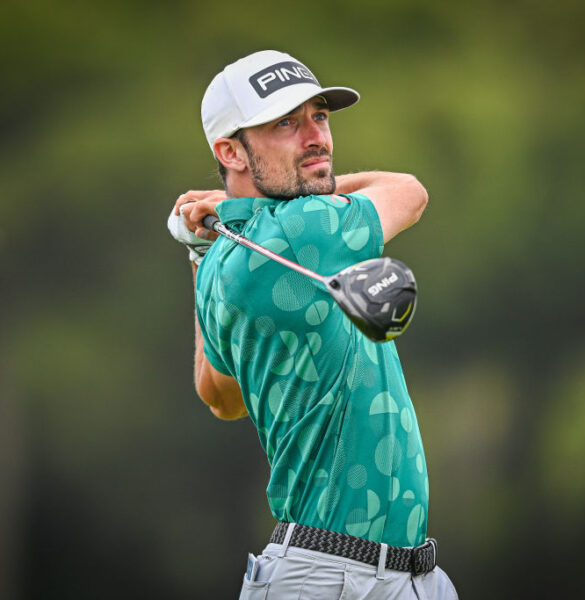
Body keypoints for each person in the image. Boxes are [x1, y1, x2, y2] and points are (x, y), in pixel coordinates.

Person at [167, 50, 458, 600]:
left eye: (318, 117)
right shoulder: (304, 229)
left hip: (397, 575)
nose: (315, 137)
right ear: (229, 150)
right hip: (334, 578)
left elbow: (219, 395)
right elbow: (409, 191)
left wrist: (202, 247)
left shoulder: (219, 263)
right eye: (284, 124)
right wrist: (238, 207)